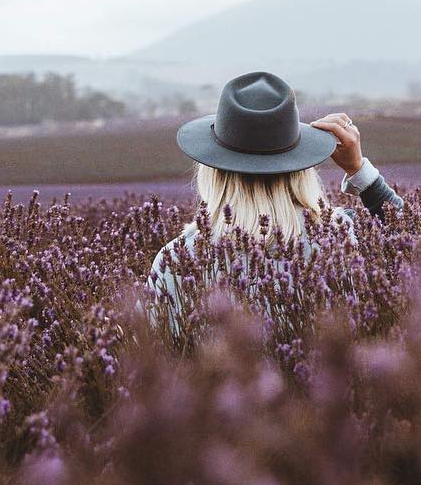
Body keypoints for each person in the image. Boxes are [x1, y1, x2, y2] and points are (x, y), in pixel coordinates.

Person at [145, 70, 404, 338]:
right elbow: (419, 260)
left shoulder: (173, 260)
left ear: (212, 170)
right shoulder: (341, 237)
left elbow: (152, 362)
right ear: (300, 167)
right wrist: (360, 171)